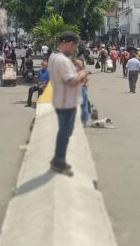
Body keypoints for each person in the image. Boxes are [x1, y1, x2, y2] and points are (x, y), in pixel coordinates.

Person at [48, 31, 88, 176]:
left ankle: (59, 158)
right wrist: (82, 73)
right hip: (66, 103)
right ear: (70, 44)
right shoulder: (62, 60)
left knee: (65, 131)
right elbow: (71, 82)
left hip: (62, 100)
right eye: (74, 46)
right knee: (65, 132)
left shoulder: (55, 56)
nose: (74, 49)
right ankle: (59, 160)